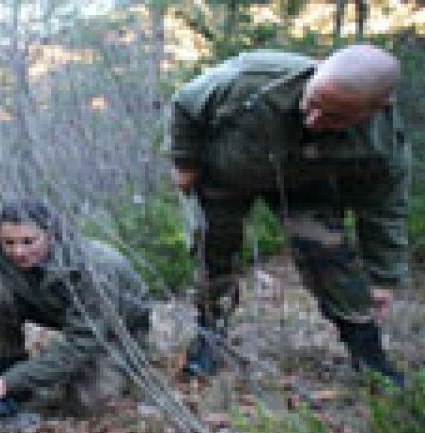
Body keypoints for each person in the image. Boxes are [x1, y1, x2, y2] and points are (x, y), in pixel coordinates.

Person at [167, 44, 408, 384]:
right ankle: (208, 337)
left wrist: (384, 277)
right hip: (226, 170)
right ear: (317, 70)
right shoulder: (251, 81)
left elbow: (383, 209)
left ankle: (368, 355)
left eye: (335, 116)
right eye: (312, 104)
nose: (314, 120)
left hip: (303, 179)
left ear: (376, 108)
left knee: (329, 253)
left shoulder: (381, 141)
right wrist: (185, 161)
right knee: (213, 253)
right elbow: (184, 104)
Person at [0, 199, 153, 416]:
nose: (18, 252)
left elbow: (80, 343)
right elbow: (8, 294)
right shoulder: (8, 256)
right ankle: (11, 362)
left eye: (28, 241)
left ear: (50, 235)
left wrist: (8, 382)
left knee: (88, 402)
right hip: (64, 310)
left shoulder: (93, 269)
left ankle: (128, 363)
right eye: (9, 243)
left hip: (120, 327)